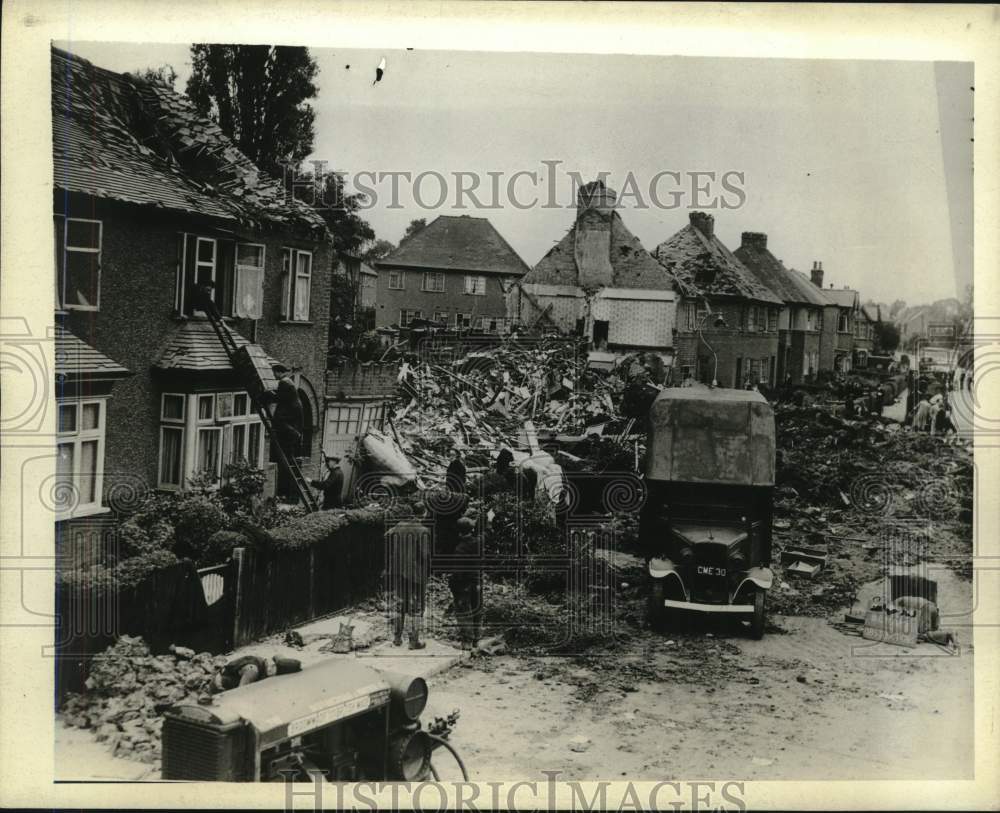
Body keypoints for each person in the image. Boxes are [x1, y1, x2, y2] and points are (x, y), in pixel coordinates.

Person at [386, 500, 432, 649]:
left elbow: (387, 536)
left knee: (399, 604)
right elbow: (425, 555)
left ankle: (397, 638)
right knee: (416, 607)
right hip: (415, 574)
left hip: (398, 571)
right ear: (424, 513)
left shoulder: (398, 526)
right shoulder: (423, 530)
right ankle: (414, 641)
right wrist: (427, 571)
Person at [448, 517, 483, 651]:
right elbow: (485, 535)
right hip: (477, 582)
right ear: (472, 530)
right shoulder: (478, 543)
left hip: (464, 584)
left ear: (459, 532)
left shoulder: (461, 548)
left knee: (463, 612)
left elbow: (458, 572)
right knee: (476, 609)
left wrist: (453, 583)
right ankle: (476, 640)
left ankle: (467, 642)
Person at [270, 377, 304, 457]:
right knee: (288, 452)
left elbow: (279, 397)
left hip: (292, 412)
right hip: (294, 413)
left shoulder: (284, 383)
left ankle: (294, 434)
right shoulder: (289, 384)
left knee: (278, 420)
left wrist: (269, 394)